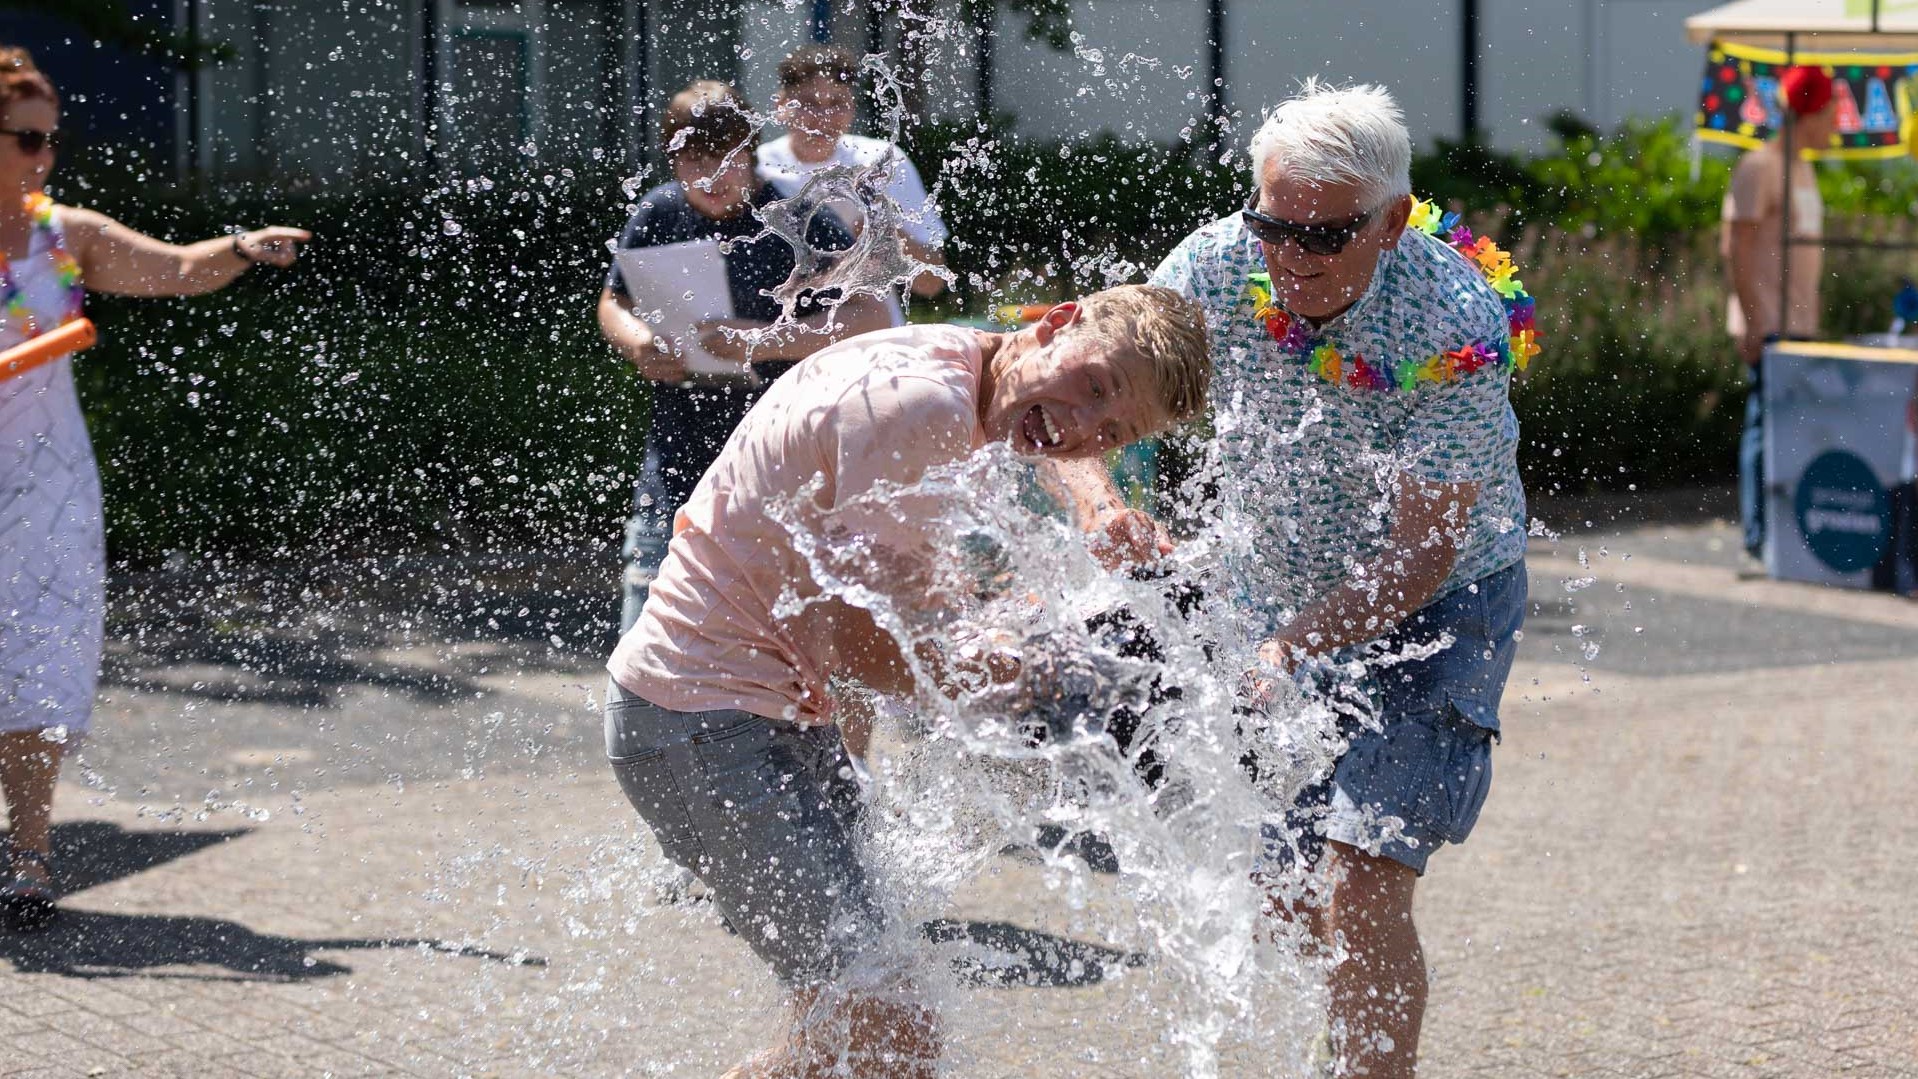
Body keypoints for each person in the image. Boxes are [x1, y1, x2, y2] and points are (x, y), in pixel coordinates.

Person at [1047, 80, 1532, 1078]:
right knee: (1280, 890)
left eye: (1327, 236)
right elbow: (1059, 388)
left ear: (1393, 221)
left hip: (1436, 611)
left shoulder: (1452, 320)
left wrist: (1285, 647)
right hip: (1269, 588)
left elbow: (1422, 551)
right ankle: (1350, 1025)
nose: (1292, 256)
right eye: (1274, 225)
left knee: (1362, 877)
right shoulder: (1215, 270)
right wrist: (1102, 502)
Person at [602, 285, 1209, 1078]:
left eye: (1112, 430)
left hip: (762, 716)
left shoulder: (971, 377)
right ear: (1055, 323)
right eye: (1093, 388)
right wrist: (1007, 679)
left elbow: (892, 588)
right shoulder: (919, 407)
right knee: (893, 1029)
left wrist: (1002, 623)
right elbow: (851, 635)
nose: (1081, 428)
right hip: (701, 721)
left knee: (840, 1035)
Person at [0, 45, 309, 929]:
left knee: (38, 672)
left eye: (51, 138)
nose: (45, 157)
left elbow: (173, 267)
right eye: (28, 139)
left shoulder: (65, 235)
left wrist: (242, 248)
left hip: (48, 494)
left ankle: (28, 858)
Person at [597, 80, 886, 631]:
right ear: (673, 159)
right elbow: (613, 301)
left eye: (724, 160)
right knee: (653, 587)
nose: (709, 177)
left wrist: (762, 339)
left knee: (776, 607)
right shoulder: (658, 211)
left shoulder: (796, 217)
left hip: (780, 452)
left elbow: (867, 318)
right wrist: (638, 343)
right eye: (692, 162)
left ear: (750, 155)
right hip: (677, 445)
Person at [1722, 65, 1837, 561]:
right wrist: (1752, 318)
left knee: (1788, 428)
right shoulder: (1760, 167)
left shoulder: (1803, 167)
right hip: (1769, 323)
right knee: (1767, 425)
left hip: (1797, 322)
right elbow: (1736, 248)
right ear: (1811, 112)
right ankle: (1759, 534)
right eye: (1832, 113)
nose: (1836, 125)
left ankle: (1782, 531)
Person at [756, 44, 950, 321]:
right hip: (782, 339)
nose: (824, 118)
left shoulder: (883, 161)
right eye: (809, 103)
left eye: (837, 103)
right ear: (781, 106)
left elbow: (931, 283)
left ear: (852, 107)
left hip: (874, 337)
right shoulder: (761, 170)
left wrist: (881, 235)